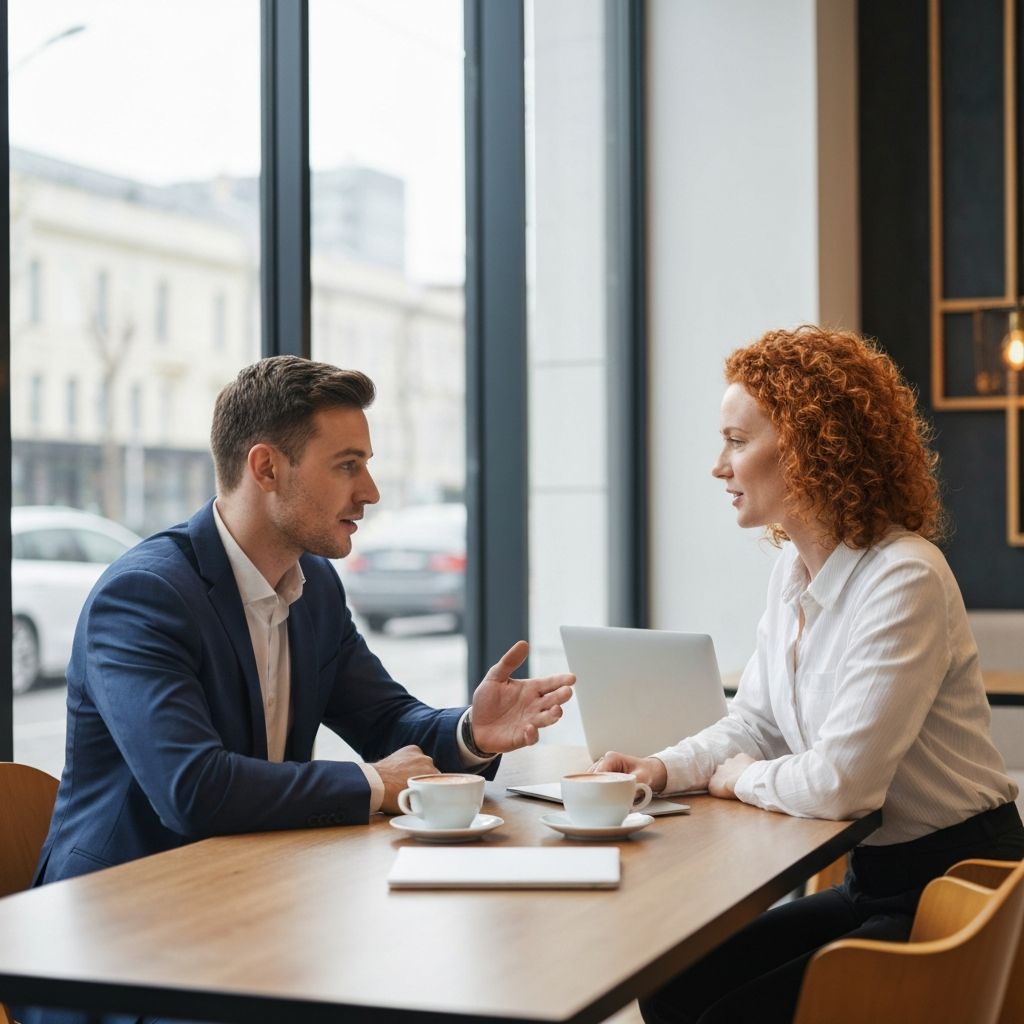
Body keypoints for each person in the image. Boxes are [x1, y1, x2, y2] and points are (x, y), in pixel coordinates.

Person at [597, 326, 1024, 1024]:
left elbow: (842, 785)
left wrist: (738, 778)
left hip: (960, 884)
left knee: (726, 1013)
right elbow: (757, 723)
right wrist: (659, 769)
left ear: (808, 445)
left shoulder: (903, 575)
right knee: (675, 983)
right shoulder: (791, 573)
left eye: (737, 441)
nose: (718, 466)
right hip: (875, 878)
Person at [29, 356, 574, 885]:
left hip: (252, 886)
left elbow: (385, 722)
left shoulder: (313, 586)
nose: (371, 492)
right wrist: (374, 783)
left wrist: (472, 732)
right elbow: (191, 788)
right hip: (121, 908)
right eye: (347, 465)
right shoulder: (145, 595)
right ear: (266, 468)